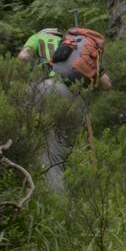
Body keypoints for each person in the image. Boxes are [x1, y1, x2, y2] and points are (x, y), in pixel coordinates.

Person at [16, 26, 111, 189]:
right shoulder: (77, 46)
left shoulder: (38, 37)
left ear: (44, 33)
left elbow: (24, 57)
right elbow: (106, 84)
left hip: (44, 89)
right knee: (60, 150)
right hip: (74, 100)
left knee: (39, 145)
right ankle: (69, 191)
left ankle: (52, 197)